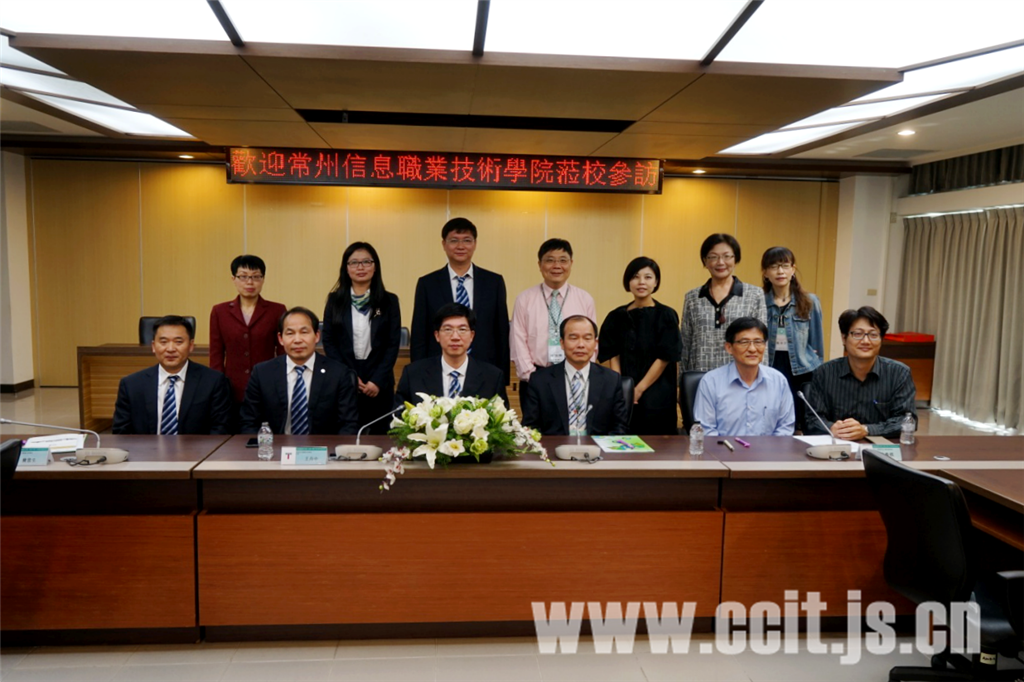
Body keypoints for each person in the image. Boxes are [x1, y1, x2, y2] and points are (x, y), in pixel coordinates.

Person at [410, 217, 510, 386]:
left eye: (467, 240)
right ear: (444, 244)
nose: (460, 246)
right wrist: (418, 374)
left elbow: (501, 332)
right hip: (438, 369)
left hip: (485, 369)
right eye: (454, 240)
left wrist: (503, 377)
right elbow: (420, 334)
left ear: (475, 244)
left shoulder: (493, 282)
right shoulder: (427, 283)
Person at [322, 242, 401, 433]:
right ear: (346, 268)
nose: (360, 267)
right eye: (354, 262)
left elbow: (392, 344)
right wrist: (349, 376)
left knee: (381, 438)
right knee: (346, 434)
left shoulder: (389, 301)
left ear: (375, 266)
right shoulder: (335, 301)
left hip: (379, 382)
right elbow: (329, 342)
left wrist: (377, 380)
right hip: (345, 378)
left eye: (366, 262)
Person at [240, 307, 359, 435]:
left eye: (304, 332)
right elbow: (248, 422)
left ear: (317, 336)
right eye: (290, 333)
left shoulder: (338, 373)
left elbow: (349, 424)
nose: (297, 340)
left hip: (323, 446)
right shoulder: (262, 373)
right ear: (280, 338)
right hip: (275, 445)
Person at [598, 257, 682, 435]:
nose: (641, 282)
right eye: (635, 277)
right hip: (625, 390)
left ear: (656, 282)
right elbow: (613, 355)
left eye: (648, 277)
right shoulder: (615, 316)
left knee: (658, 442)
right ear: (628, 282)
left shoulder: (666, 315)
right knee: (623, 438)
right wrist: (622, 387)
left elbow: (665, 357)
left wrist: (638, 390)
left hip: (658, 390)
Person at [805, 306, 917, 440]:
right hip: (837, 446)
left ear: (881, 339)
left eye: (873, 335)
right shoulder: (824, 373)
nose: (865, 341)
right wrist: (831, 428)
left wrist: (866, 429)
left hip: (882, 447)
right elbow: (812, 419)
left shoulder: (899, 373)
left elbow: (907, 420)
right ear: (844, 338)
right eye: (857, 334)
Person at [113, 315, 232, 435]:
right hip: (146, 448)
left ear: (191, 346)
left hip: (198, 448)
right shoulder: (131, 385)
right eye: (163, 342)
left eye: (178, 342)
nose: (170, 349)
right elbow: (121, 433)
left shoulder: (213, 382)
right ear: (153, 346)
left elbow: (221, 430)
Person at [510, 238, 596, 402]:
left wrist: (583, 373)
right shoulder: (524, 299)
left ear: (571, 263)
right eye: (550, 260)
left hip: (576, 378)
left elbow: (591, 341)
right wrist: (532, 377)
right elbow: (518, 340)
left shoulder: (585, 299)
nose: (557, 266)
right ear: (540, 264)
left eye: (563, 260)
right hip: (535, 378)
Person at [522, 315, 629, 437]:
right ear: (562, 343)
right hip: (554, 447)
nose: (581, 345)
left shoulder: (611, 380)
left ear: (595, 343)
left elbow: (619, 427)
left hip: (597, 447)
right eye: (573, 338)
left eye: (587, 338)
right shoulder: (540, 380)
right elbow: (530, 427)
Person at [692, 317, 795, 437]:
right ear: (729, 347)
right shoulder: (711, 382)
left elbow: (785, 428)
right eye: (744, 342)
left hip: (768, 449)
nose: (752, 349)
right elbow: (706, 431)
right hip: (724, 448)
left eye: (758, 342)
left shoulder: (779, 381)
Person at [681, 234, 767, 373]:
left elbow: (761, 341)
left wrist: (762, 378)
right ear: (705, 261)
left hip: (740, 375)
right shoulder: (693, 297)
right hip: (700, 374)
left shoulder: (754, 294)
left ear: (735, 259)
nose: (720, 262)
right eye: (713, 257)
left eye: (727, 256)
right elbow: (685, 344)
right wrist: (682, 379)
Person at [761, 246, 825, 431]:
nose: (780, 271)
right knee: (773, 416)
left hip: (802, 367)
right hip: (771, 364)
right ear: (765, 273)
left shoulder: (810, 301)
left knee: (800, 419)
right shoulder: (760, 301)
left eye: (785, 266)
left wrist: (818, 372)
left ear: (793, 269)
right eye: (774, 267)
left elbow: (817, 341)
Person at [209, 255, 287, 404]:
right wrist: (218, 386)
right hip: (232, 387)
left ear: (263, 279)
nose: (250, 282)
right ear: (234, 279)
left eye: (256, 276)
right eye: (243, 276)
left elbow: (282, 351)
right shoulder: (220, 311)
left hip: (268, 385)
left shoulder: (277, 310)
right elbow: (216, 354)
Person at [396, 303, 506, 406]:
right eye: (448, 329)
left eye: (462, 329)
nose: (455, 337)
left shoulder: (493, 377)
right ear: (437, 335)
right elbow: (398, 416)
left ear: (472, 336)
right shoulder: (413, 374)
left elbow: (503, 418)